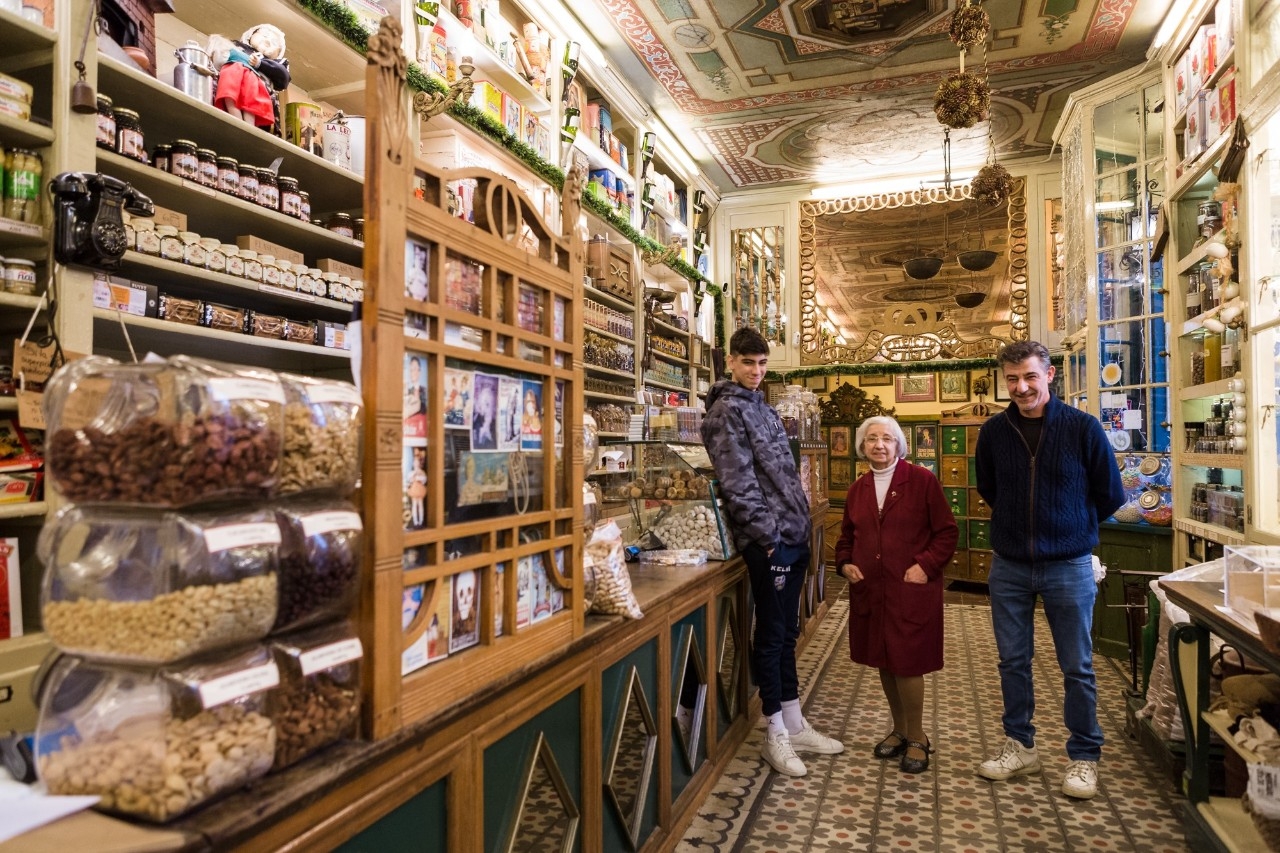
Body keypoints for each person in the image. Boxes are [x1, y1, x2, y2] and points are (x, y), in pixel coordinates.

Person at [974, 340, 1124, 800]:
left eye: (1030, 377)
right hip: (1011, 566)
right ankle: (1020, 745)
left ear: (1050, 375)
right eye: (1013, 379)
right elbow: (989, 488)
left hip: (1069, 565)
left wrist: (1070, 527)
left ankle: (1083, 756)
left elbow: (1111, 494)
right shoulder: (994, 432)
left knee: (1077, 666)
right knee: (1012, 662)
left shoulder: (1083, 429)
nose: (1021, 387)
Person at [700, 327, 844, 777]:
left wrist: (794, 527)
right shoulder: (725, 412)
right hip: (769, 541)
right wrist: (766, 537)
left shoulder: (762, 407)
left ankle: (794, 721)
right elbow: (737, 483)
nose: (756, 372)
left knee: (785, 633)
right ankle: (774, 732)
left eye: (762, 364)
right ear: (731, 362)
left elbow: (783, 474)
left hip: (792, 534)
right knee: (771, 633)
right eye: (748, 363)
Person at [835, 416, 957, 773]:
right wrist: (844, 564)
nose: (879, 445)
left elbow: (947, 533)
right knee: (884, 661)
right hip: (871, 589)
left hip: (910, 588)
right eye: (871, 438)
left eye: (887, 438)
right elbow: (846, 537)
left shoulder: (921, 481)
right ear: (862, 446)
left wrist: (926, 565)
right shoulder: (858, 489)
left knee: (907, 662)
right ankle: (899, 730)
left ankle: (918, 736)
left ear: (899, 445)